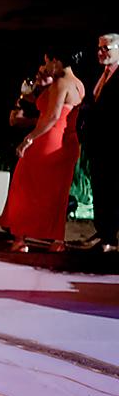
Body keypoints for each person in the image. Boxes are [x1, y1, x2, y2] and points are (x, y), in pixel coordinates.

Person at [0, 49, 85, 252]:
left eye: (47, 62)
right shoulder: (78, 84)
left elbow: (52, 117)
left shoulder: (61, 82)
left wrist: (29, 139)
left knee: (24, 183)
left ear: (56, 61)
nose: (45, 67)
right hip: (69, 142)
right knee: (58, 192)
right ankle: (57, 240)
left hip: (50, 139)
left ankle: (20, 237)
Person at [78, 33, 119, 254]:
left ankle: (110, 238)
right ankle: (104, 232)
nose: (101, 52)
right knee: (101, 189)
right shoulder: (101, 75)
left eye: (107, 47)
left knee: (111, 190)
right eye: (99, 48)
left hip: (112, 145)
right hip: (98, 145)